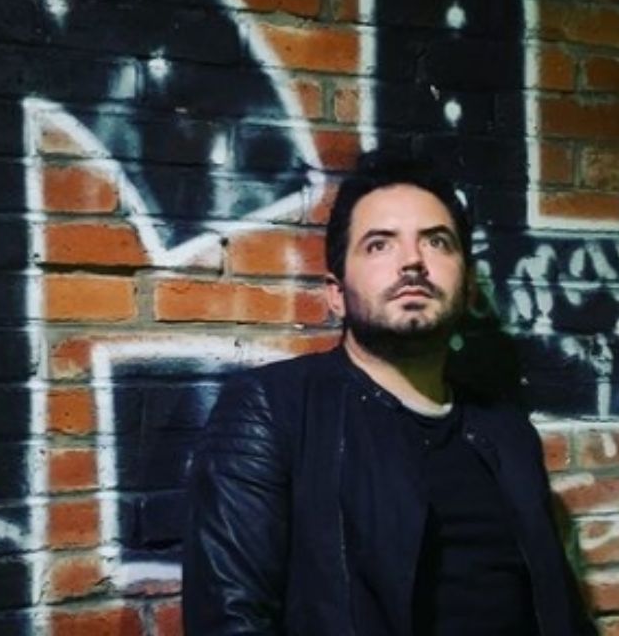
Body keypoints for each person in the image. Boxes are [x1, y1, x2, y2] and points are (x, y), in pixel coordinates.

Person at [183, 153, 597, 635]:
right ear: (336, 293)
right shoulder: (273, 410)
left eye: (437, 242)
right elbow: (231, 622)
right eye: (379, 244)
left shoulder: (508, 434)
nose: (413, 261)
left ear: (468, 289)